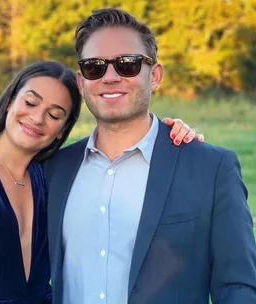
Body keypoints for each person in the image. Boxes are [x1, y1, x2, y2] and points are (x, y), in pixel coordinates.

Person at [0, 61, 198, 304]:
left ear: (61, 131)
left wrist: (169, 134)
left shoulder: (53, 176)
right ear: (9, 102)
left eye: (55, 114)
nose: (37, 118)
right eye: (30, 102)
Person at [44, 8, 256, 304]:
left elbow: (238, 287)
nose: (110, 77)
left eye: (127, 65)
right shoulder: (53, 170)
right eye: (95, 67)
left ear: (154, 75)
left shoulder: (211, 169)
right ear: (82, 83)